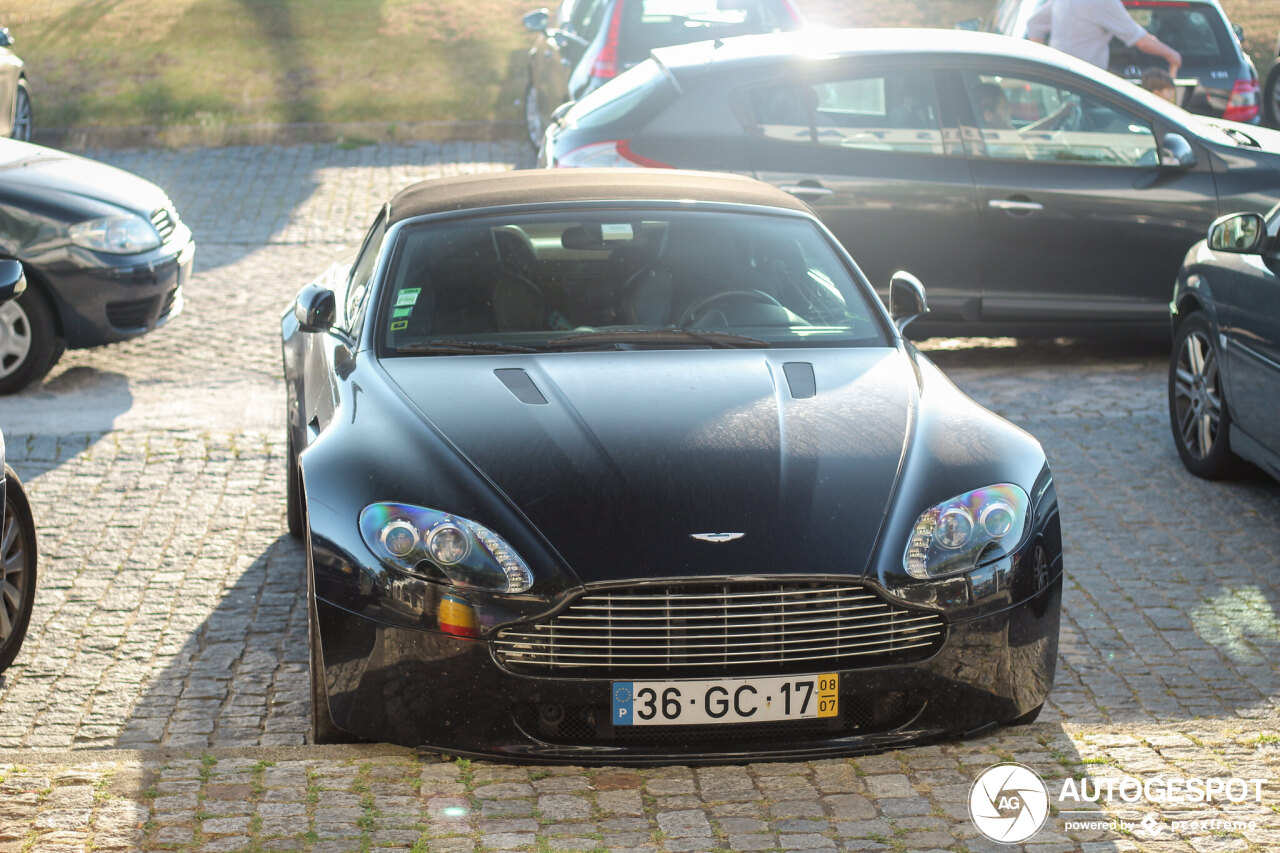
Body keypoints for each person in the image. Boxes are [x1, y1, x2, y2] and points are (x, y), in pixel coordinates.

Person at [1025, 0, 1181, 78]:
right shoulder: (1103, 2)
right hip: (1086, 82)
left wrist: (1046, 62)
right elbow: (1139, 39)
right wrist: (1172, 55)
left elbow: (1034, 24)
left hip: (1060, 78)